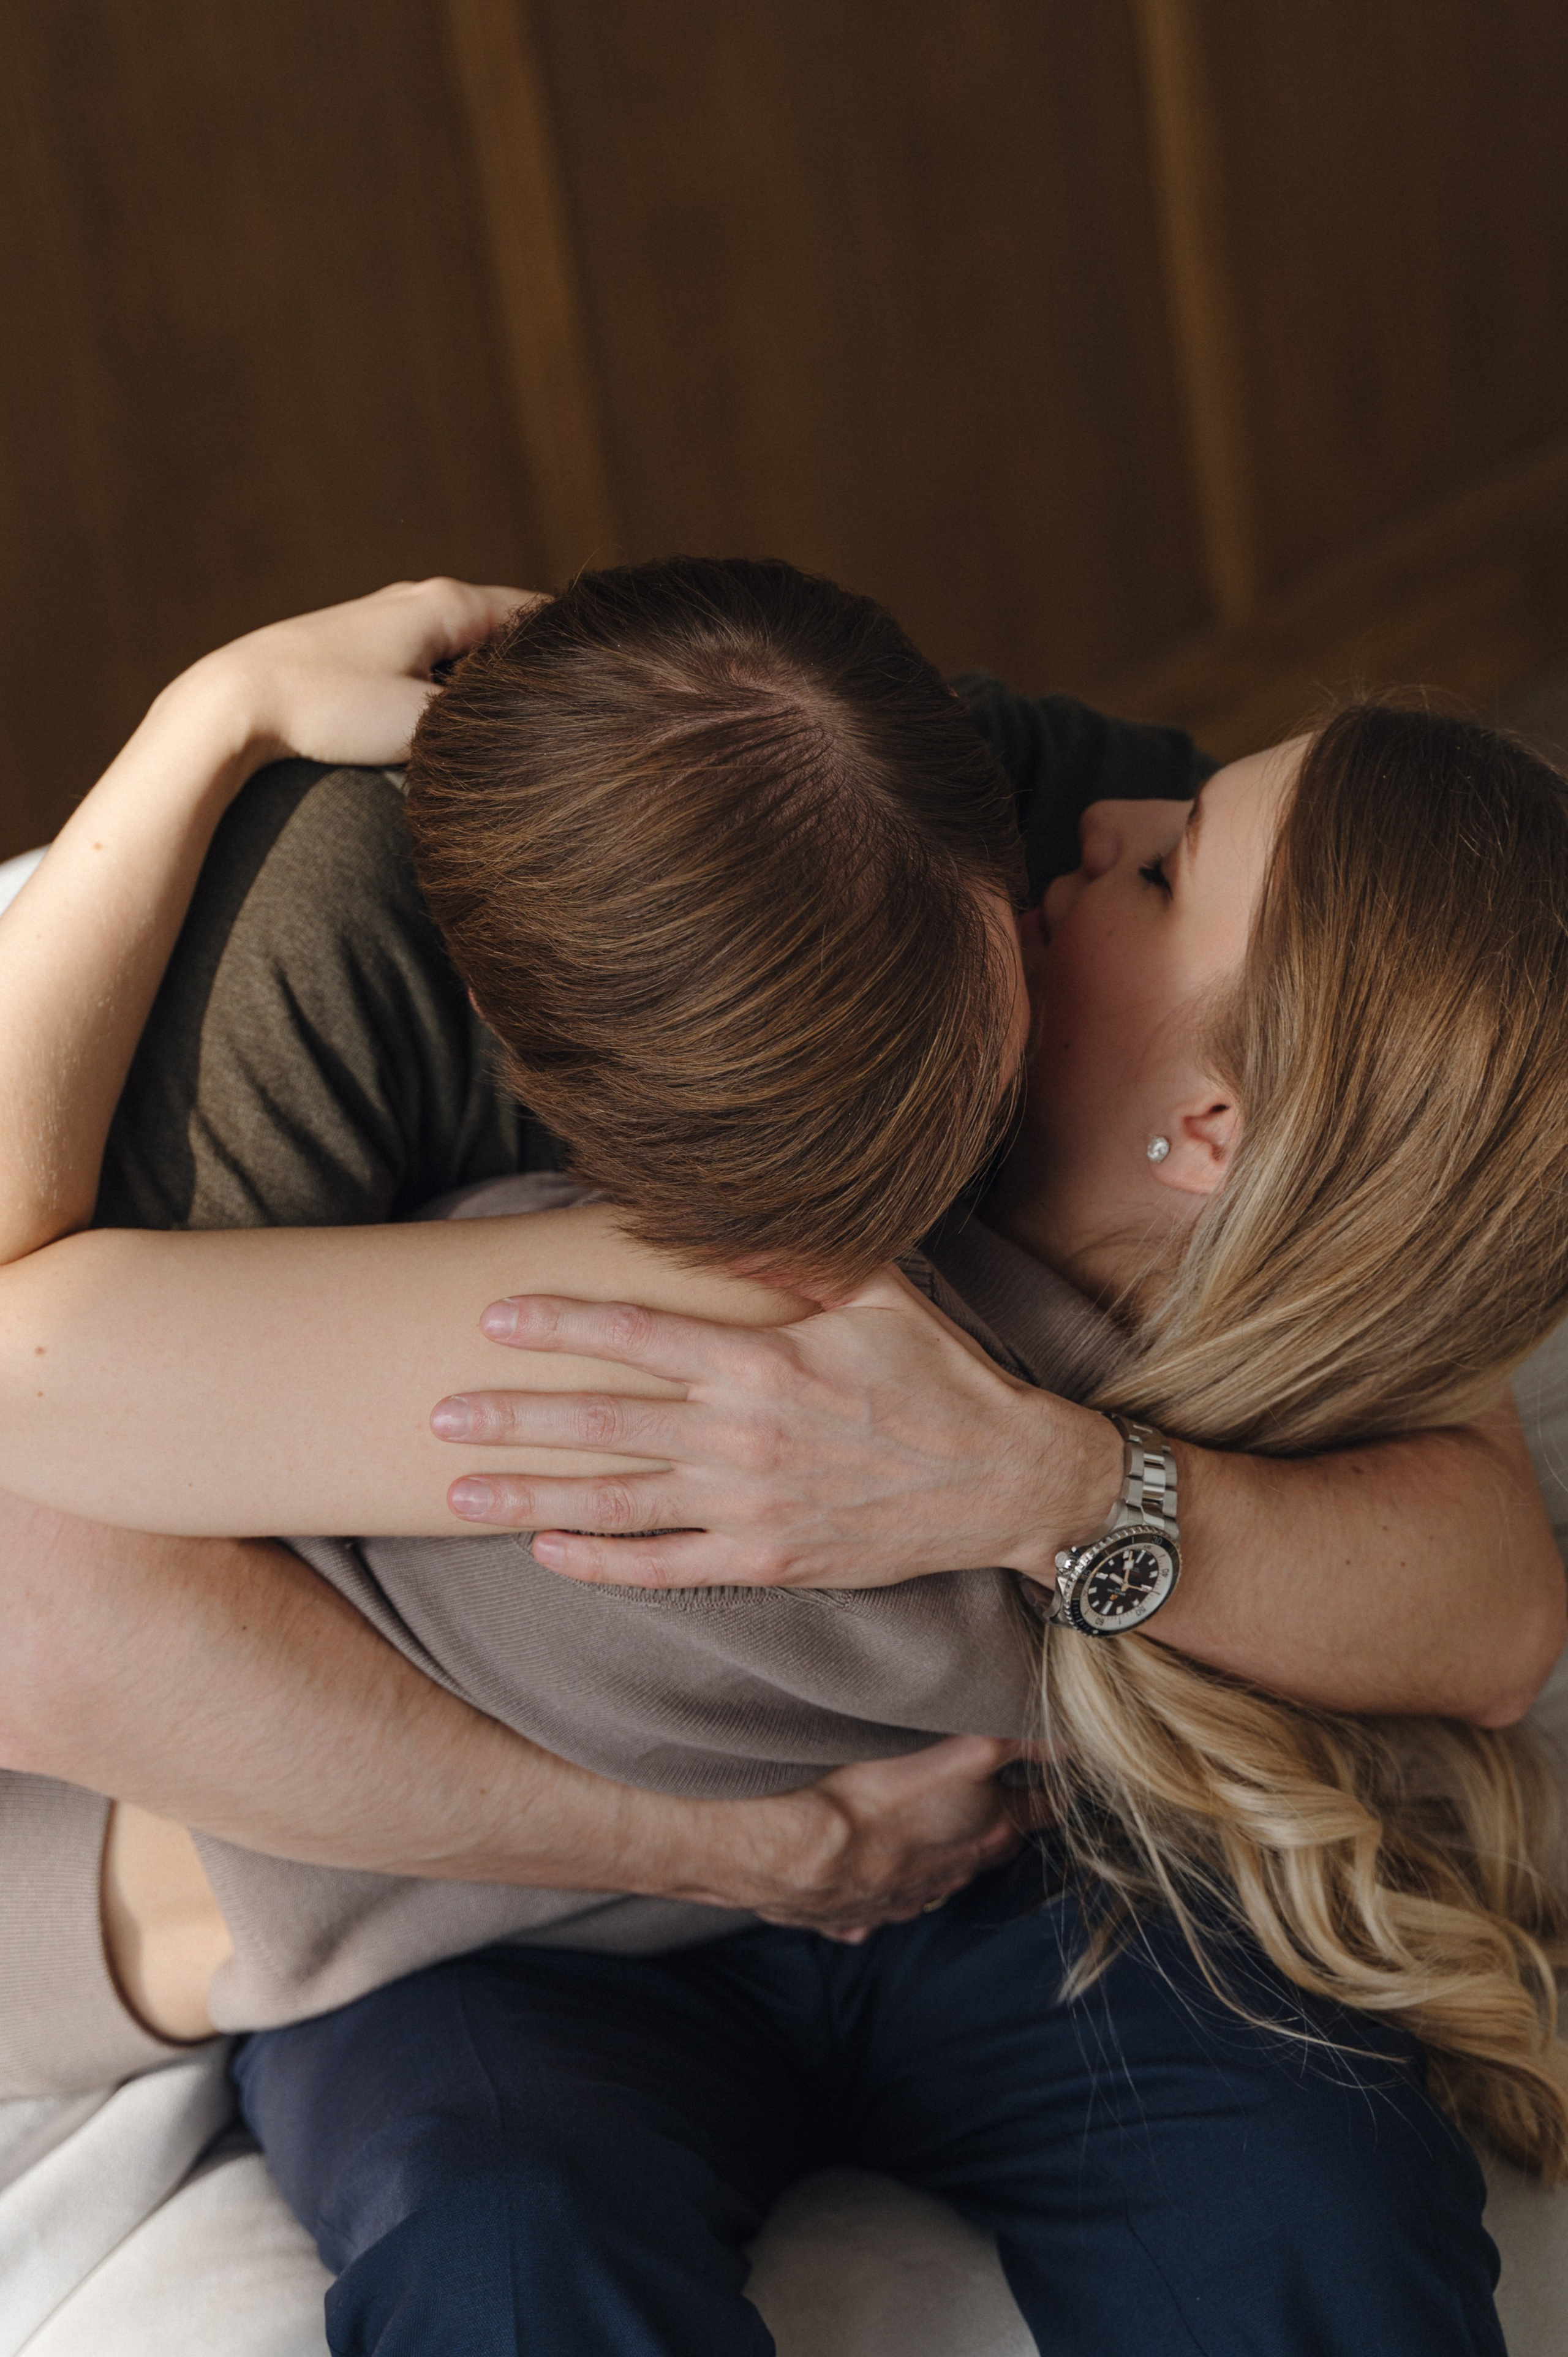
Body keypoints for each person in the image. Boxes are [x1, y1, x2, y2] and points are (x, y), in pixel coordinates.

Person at [2, 572, 1566, 2353]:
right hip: (521, 1945)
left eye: (1159, 868)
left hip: (1027, 1871)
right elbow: (37, 1547)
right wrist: (727, 1846)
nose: (1112, 835)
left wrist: (1048, 1487)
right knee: (512, 2267)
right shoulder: (445, 1072)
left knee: (1317, 2213)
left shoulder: (1105, 950)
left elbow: (1492, 1598)